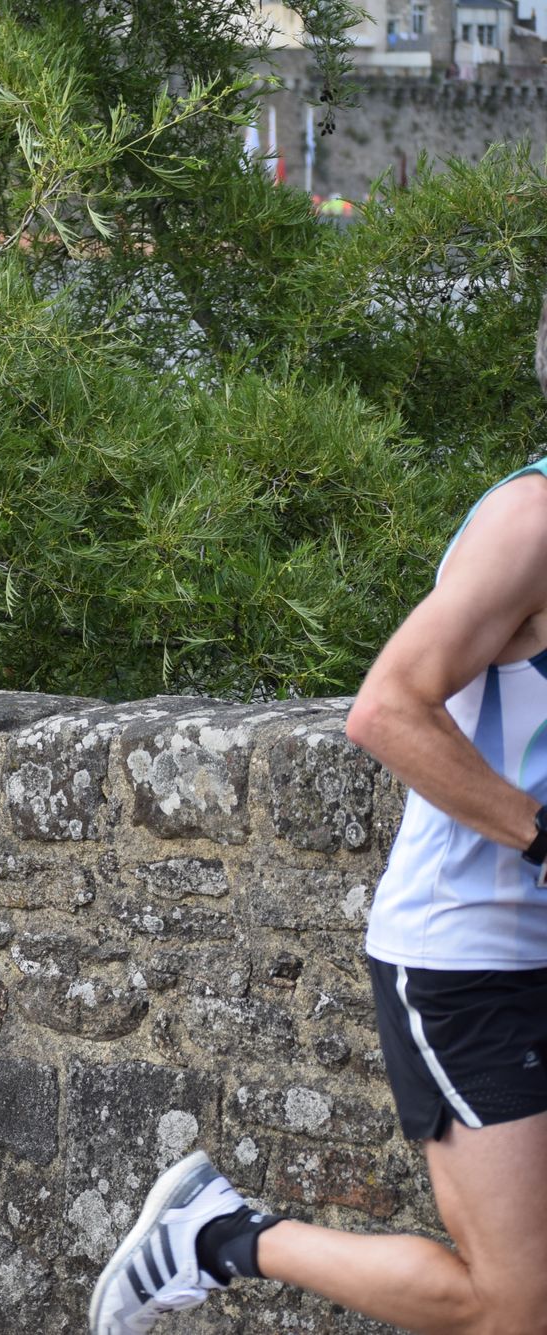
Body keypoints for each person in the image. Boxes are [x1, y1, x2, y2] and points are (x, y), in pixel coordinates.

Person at [91, 312, 547, 1335]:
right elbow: (385, 710)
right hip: (472, 953)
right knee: (513, 1304)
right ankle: (216, 1236)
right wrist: (541, 835)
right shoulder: (531, 522)